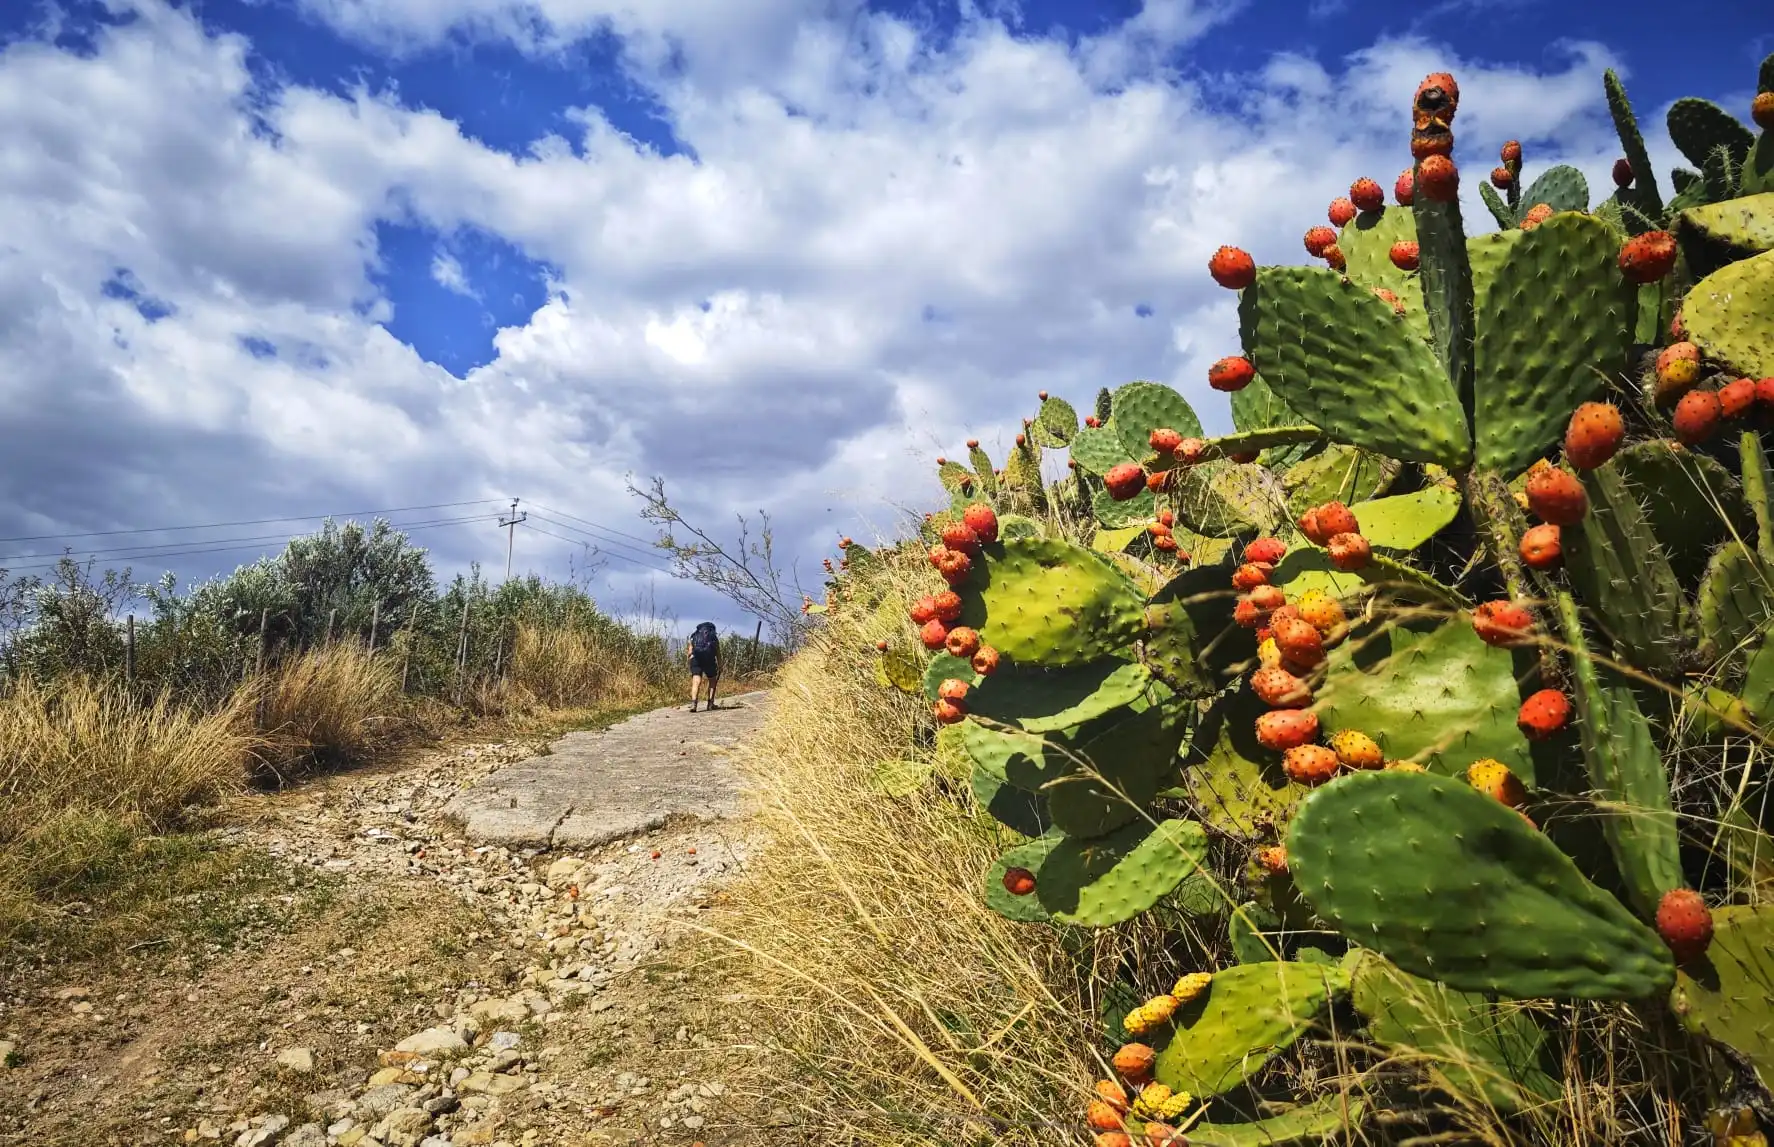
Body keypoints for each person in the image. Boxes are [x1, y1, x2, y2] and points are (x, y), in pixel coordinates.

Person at [687, 621, 721, 712]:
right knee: (712, 681)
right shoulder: (713, 638)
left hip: (696, 659)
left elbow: (690, 652)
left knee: (696, 681)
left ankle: (694, 704)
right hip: (709, 660)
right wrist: (720, 664)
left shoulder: (694, 636)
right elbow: (718, 653)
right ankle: (710, 704)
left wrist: (690, 660)